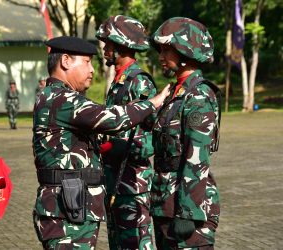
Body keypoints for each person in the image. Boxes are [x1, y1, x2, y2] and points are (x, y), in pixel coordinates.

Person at [32, 36, 170, 249]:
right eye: (86, 62)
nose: (92, 70)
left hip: (70, 204)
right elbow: (112, 118)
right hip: (67, 209)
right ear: (66, 61)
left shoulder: (54, 96)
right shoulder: (63, 99)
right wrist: (153, 103)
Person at [149, 17, 221, 249]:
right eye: (160, 49)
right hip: (166, 203)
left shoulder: (198, 96)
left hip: (187, 207)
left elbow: (196, 157)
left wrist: (188, 213)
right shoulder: (173, 93)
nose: (161, 56)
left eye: (167, 50)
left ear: (185, 52)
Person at [96, 15, 157, 249]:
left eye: (108, 44)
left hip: (134, 184)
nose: (104, 48)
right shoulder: (119, 81)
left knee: (137, 243)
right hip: (115, 182)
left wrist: (120, 146)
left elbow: (155, 134)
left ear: (122, 45)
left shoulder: (139, 82)